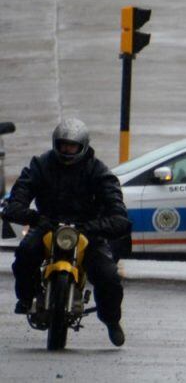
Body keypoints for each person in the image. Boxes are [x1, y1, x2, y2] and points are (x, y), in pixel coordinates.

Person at [4, 118, 131, 346]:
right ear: (56, 144)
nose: (67, 150)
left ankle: (111, 320)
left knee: (109, 276)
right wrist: (29, 215)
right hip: (48, 224)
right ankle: (26, 297)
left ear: (83, 146)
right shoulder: (40, 165)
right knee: (24, 255)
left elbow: (117, 210)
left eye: (72, 146)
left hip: (87, 229)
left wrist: (104, 224)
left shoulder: (99, 171)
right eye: (63, 145)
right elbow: (19, 195)